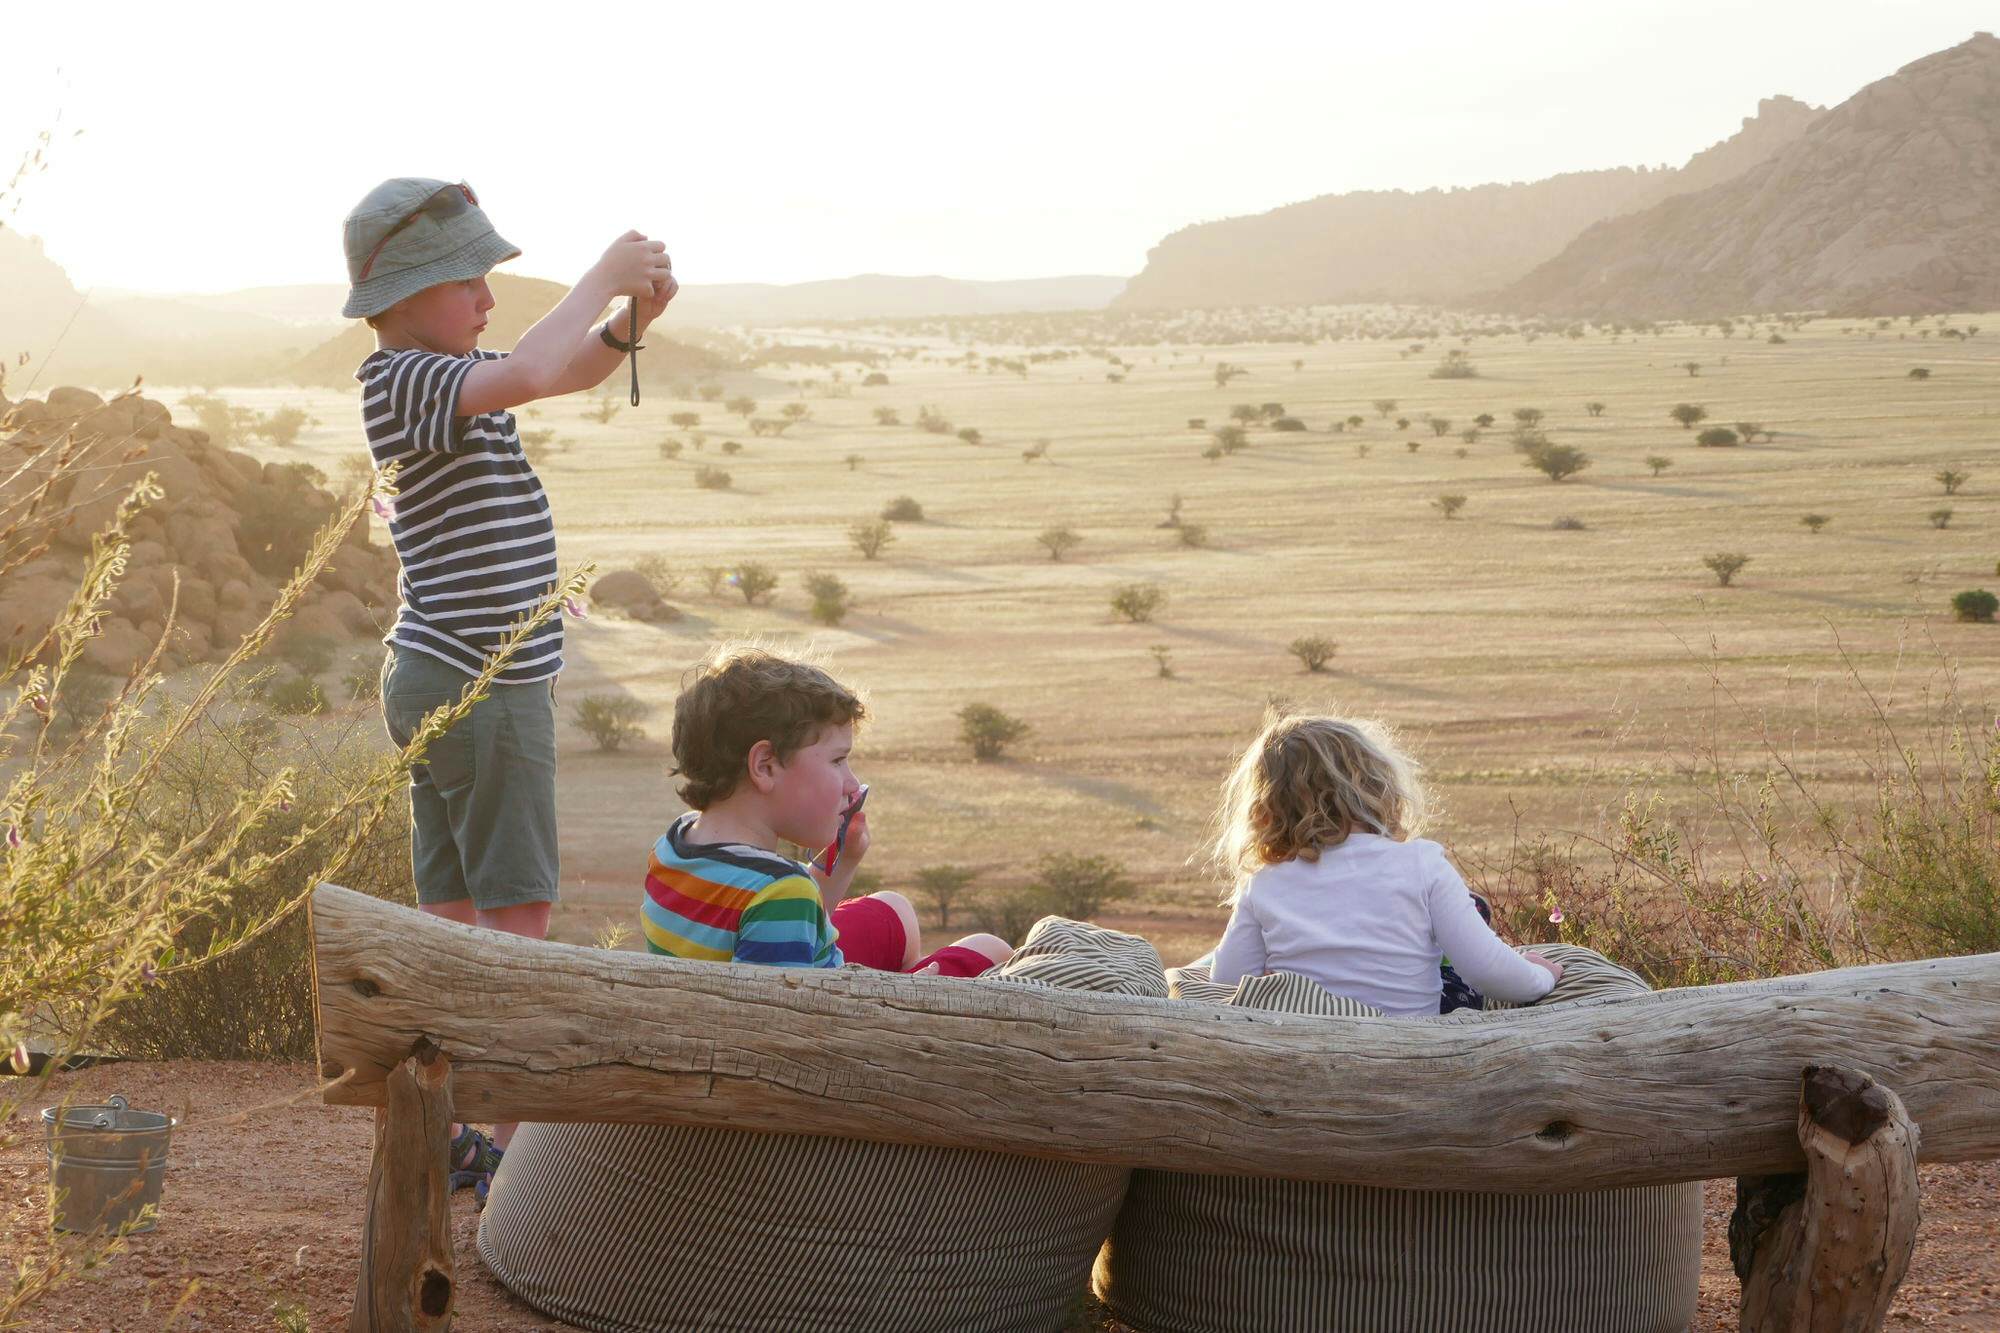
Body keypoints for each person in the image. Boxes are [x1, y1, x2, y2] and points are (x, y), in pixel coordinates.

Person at [340, 177, 677, 1196]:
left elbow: (557, 373)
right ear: (404, 296)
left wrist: (627, 321)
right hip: (484, 683)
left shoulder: (441, 370)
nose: (486, 299)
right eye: (469, 282)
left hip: (438, 671)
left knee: (449, 911)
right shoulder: (402, 382)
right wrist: (600, 273)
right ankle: (500, 1145)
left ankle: (441, 1126)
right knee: (516, 923)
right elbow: (535, 362)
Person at [645, 646, 1013, 977]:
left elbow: (774, 925)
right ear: (766, 766)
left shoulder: (675, 843)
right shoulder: (782, 892)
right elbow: (785, 1029)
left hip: (740, 996)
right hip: (827, 1027)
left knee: (893, 911)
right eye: (838, 761)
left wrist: (845, 859)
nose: (852, 783)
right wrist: (909, 999)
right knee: (989, 951)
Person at [1207, 714, 1563, 1017]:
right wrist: (1541, 976)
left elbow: (1224, 984)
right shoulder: (1422, 863)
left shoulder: (1266, 882)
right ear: (1377, 785)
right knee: (1472, 912)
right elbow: (1487, 970)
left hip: (1308, 1049)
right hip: (1405, 1049)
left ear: (1266, 811)